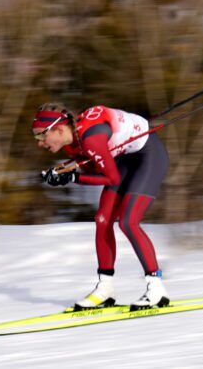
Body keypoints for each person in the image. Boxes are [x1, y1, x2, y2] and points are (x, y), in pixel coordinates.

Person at [32, 103, 170, 311]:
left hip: (148, 155)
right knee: (102, 220)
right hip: (124, 158)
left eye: (41, 136)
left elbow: (110, 177)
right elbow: (89, 161)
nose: (40, 143)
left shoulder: (90, 138)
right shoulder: (73, 140)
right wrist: (62, 172)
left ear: (59, 129)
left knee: (128, 222)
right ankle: (106, 289)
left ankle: (157, 289)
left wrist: (72, 176)